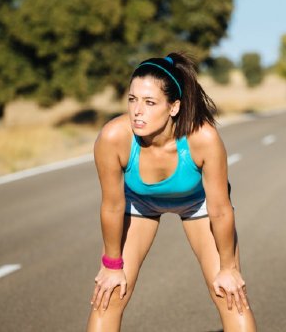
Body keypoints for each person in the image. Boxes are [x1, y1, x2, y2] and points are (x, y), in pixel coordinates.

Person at [86, 52, 257, 331]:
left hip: (197, 204)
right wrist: (111, 265)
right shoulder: (113, 137)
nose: (137, 111)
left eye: (150, 102)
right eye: (132, 99)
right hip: (139, 204)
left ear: (174, 107)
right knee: (110, 294)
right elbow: (112, 206)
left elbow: (220, 209)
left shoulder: (203, 138)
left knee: (229, 295)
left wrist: (229, 268)